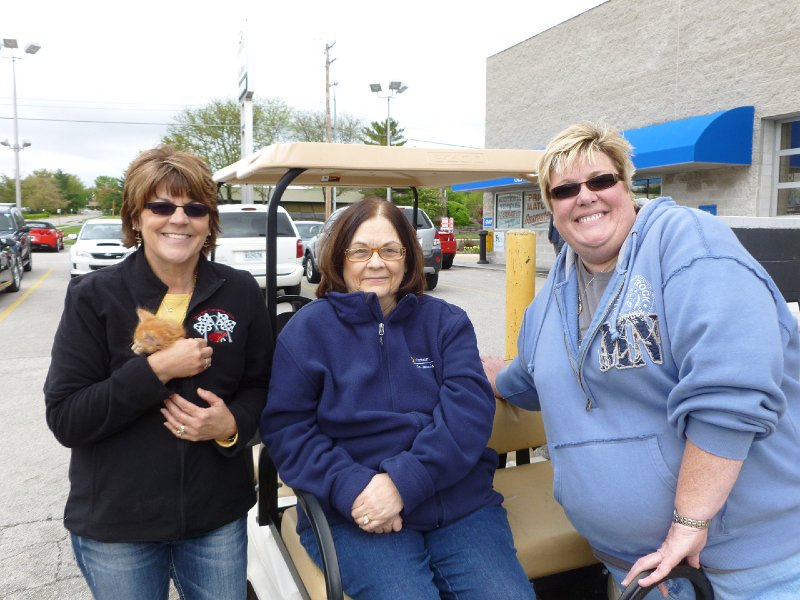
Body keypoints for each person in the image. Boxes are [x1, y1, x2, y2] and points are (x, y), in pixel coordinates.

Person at [483, 121, 800, 599]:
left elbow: (732, 392)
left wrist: (690, 522)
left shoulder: (690, 245)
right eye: (565, 189)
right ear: (551, 207)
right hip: (637, 571)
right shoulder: (552, 297)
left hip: (741, 569)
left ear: (626, 185)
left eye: (600, 180)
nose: (584, 196)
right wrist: (492, 378)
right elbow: (533, 378)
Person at [262, 198, 535, 600]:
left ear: (408, 258)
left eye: (390, 250)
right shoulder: (306, 333)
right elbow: (289, 431)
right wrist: (356, 488)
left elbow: (468, 417)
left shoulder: (446, 323)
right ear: (339, 259)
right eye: (360, 251)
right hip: (356, 510)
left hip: (456, 504)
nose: (376, 263)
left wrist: (402, 485)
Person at [44, 145, 271, 600]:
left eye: (195, 208)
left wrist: (231, 425)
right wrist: (157, 370)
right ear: (136, 217)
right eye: (161, 206)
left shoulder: (241, 291)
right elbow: (68, 418)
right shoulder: (94, 296)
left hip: (215, 519)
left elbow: (263, 386)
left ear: (209, 221)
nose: (179, 219)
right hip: (118, 525)